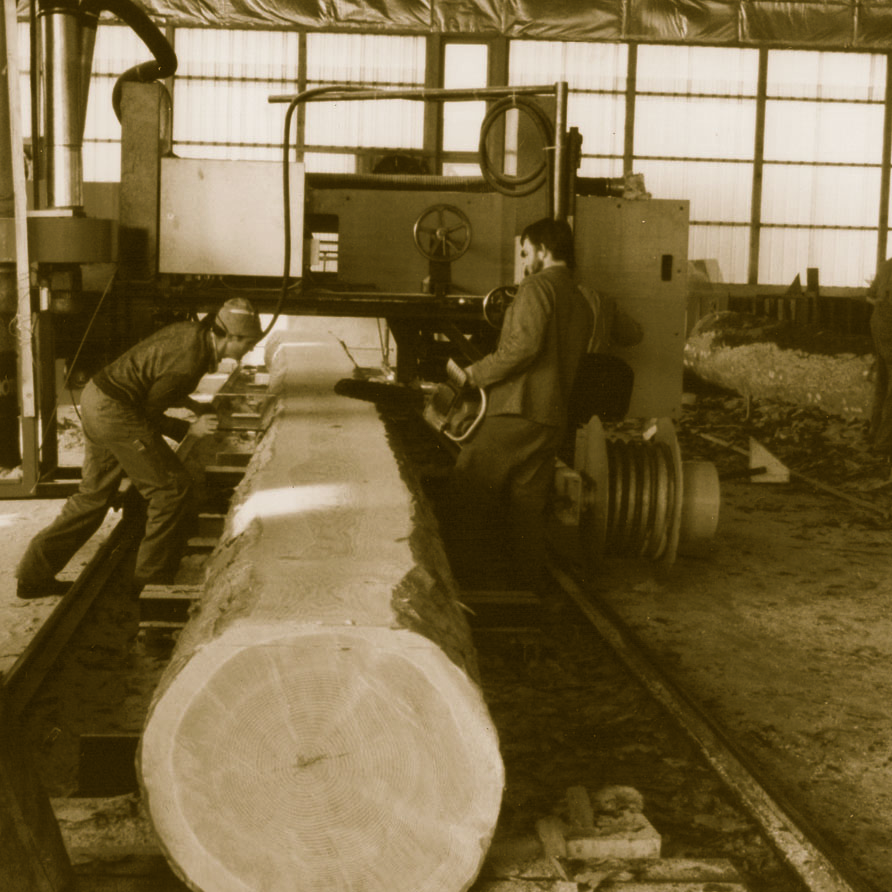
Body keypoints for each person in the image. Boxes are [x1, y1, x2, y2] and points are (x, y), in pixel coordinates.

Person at [15, 297, 263, 599]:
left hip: (97, 398)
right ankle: (148, 585)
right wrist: (188, 429)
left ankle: (31, 578)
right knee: (171, 490)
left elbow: (160, 381)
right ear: (232, 337)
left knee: (93, 497)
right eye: (248, 344)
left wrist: (193, 406)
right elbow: (148, 413)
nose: (248, 350)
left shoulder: (193, 333)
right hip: (116, 412)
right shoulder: (191, 360)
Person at [449, 217, 595, 597]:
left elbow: (523, 348)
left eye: (527, 252)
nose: (525, 260)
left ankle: (461, 586)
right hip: (550, 420)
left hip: (518, 411)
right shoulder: (582, 301)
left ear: (544, 251)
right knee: (526, 507)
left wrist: (473, 374)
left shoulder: (535, 287)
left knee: (469, 484)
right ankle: (525, 591)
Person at [868, 257, 892, 456]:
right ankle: (884, 443)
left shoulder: (886, 264)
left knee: (882, 383)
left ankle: (873, 433)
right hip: (889, 326)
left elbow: (870, 295)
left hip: (878, 323)